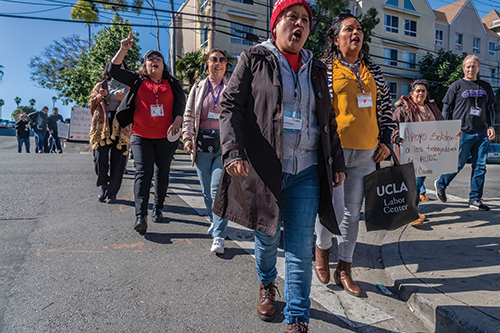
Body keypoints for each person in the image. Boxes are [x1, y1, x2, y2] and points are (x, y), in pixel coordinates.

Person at [212, 1, 346, 331]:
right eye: (291, 17)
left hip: (306, 171)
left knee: (300, 247)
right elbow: (229, 106)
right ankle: (267, 283)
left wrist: (337, 161)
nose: (298, 25)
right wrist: (232, 151)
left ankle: (298, 318)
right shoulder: (254, 58)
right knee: (268, 241)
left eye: (305, 20)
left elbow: (327, 119)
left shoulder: (317, 67)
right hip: (265, 171)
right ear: (275, 24)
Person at [313, 13, 395, 296]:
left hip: (367, 154)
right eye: (349, 29)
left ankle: (344, 269)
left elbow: (385, 108)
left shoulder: (373, 71)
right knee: (332, 210)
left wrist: (386, 140)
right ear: (336, 38)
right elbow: (316, 110)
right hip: (334, 152)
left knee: (352, 214)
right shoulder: (323, 68)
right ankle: (322, 253)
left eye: (359, 29)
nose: (356, 33)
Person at [109, 33, 186, 235]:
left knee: (162, 173)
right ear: (144, 66)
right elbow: (113, 70)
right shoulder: (136, 80)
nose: (154, 62)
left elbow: (181, 105)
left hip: (166, 138)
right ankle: (140, 216)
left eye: (158, 59)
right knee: (143, 173)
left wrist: (178, 120)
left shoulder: (172, 83)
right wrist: (123, 49)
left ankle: (158, 207)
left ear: (163, 66)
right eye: (150, 59)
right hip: (141, 136)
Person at [182, 49, 230, 254]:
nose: (217, 63)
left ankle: (219, 235)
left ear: (225, 65)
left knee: (217, 190)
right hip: (201, 144)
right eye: (213, 59)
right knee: (206, 192)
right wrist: (187, 137)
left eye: (222, 60)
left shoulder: (232, 87)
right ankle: (214, 220)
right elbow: (189, 114)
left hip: (224, 145)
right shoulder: (198, 87)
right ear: (207, 64)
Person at [434, 55, 496, 211]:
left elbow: (490, 109)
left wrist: (491, 126)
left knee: (480, 167)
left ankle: (475, 199)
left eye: (474, 66)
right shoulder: (456, 86)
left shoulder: (485, 86)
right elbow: (446, 109)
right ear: (463, 68)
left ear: (478, 67)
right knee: (459, 164)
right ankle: (441, 183)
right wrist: (448, 130)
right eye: (468, 66)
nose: (471, 69)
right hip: (461, 133)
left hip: (482, 133)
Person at [392, 79, 444, 226]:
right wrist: (396, 137)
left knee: (418, 182)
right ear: (412, 93)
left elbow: (443, 125)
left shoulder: (432, 108)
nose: (420, 93)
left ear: (426, 93)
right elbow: (393, 126)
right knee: (412, 184)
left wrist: (453, 133)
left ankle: (409, 211)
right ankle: (411, 214)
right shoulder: (402, 109)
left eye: (423, 90)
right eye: (417, 90)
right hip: (409, 153)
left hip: (427, 153)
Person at [89, 61, 131, 203]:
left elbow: (134, 107)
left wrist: (123, 100)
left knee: (118, 161)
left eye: (122, 67)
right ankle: (103, 185)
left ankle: (112, 192)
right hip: (102, 125)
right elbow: (91, 106)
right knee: (99, 157)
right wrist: (100, 96)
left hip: (121, 124)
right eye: (115, 67)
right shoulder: (101, 85)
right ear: (109, 69)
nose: (119, 70)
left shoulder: (129, 86)